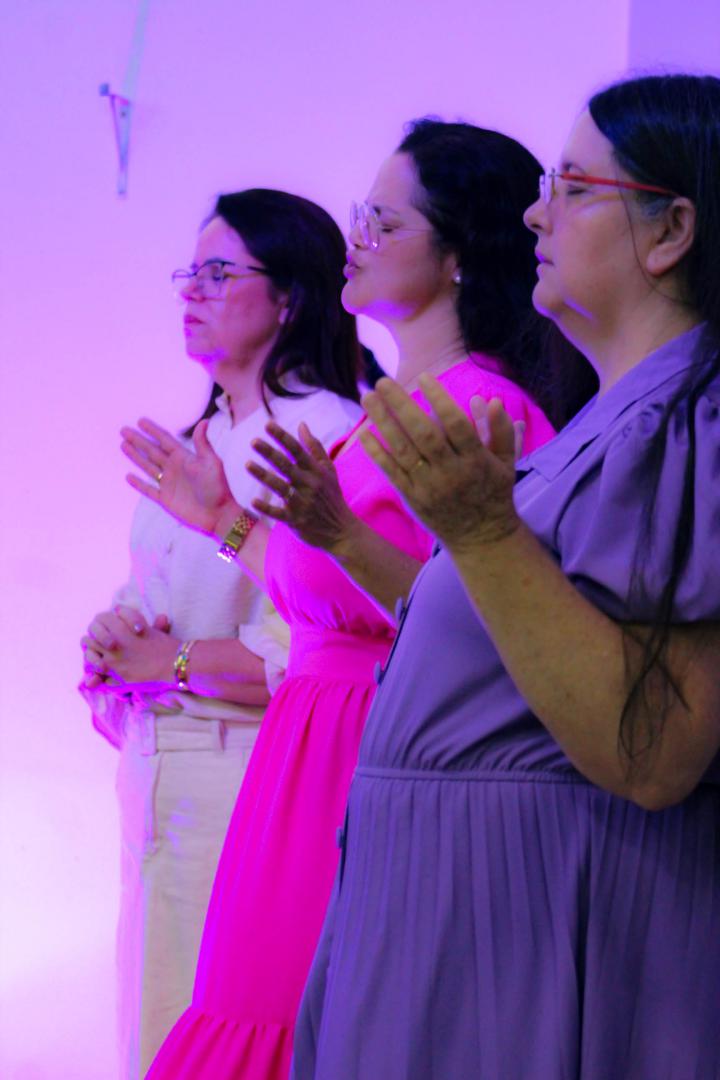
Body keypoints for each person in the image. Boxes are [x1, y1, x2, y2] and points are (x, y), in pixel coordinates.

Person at [292, 74, 720, 1080]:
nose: (535, 212)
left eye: (572, 186)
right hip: (459, 917)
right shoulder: (620, 418)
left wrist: (482, 532)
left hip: (523, 936)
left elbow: (655, 752)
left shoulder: (692, 421)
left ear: (671, 231)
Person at [124, 120, 572, 1080]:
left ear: (455, 256)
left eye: (383, 221)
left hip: (373, 747)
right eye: (361, 214)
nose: (354, 236)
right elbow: (324, 596)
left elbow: (480, 622)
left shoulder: (481, 410)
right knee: (252, 1008)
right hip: (308, 746)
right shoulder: (391, 408)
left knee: (302, 1024)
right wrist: (223, 520)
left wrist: (318, 536)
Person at [79, 188, 364, 1079]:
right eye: (189, 273)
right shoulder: (200, 436)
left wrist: (170, 662)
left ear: (289, 298)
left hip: (250, 784)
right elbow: (155, 596)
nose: (191, 292)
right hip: (155, 779)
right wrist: (112, 640)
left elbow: (321, 649)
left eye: (217, 273)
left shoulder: (324, 437)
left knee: (232, 1035)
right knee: (152, 1025)